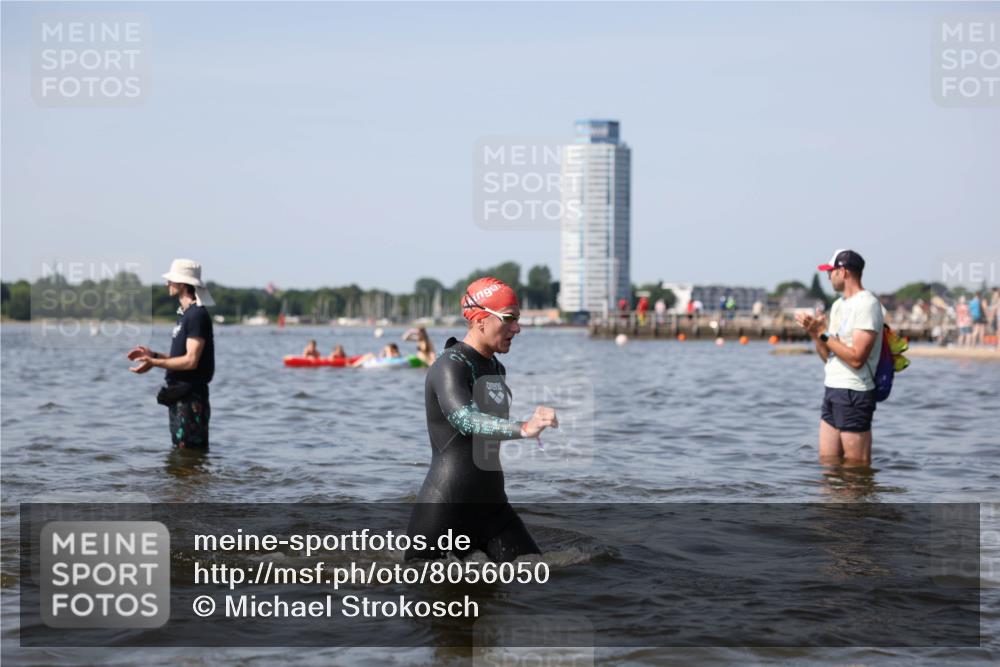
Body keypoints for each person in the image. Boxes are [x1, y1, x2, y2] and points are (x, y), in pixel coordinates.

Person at [405, 277, 558, 563]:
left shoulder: (495, 367)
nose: (517, 328)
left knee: (542, 578)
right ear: (480, 320)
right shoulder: (449, 365)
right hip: (446, 508)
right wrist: (524, 428)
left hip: (493, 508)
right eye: (509, 319)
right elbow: (466, 420)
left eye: (518, 319)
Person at [795, 250, 883, 465]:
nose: (828, 276)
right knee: (828, 464)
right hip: (832, 388)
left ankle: (861, 499)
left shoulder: (867, 304)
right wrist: (815, 333)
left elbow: (856, 359)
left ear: (843, 272)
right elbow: (828, 356)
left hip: (855, 391)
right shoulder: (837, 305)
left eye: (831, 271)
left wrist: (823, 333)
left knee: (856, 469)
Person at [128, 259, 215, 450]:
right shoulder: (185, 315)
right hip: (180, 396)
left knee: (190, 453)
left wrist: (153, 363)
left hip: (192, 398)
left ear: (183, 284)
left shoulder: (197, 316)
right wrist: (154, 356)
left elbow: (191, 361)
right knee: (182, 455)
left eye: (171, 280)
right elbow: (181, 357)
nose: (167, 284)